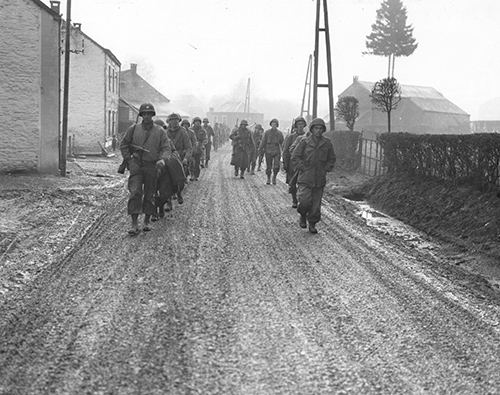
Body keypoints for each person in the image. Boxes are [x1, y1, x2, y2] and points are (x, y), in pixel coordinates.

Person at [120, 103, 173, 235]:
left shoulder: (160, 131)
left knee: (150, 194)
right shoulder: (133, 129)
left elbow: (166, 148)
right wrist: (129, 159)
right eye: (145, 114)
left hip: (152, 165)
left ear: (153, 115)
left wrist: (162, 159)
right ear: (141, 115)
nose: (147, 116)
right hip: (137, 165)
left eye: (150, 114)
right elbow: (124, 145)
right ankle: (134, 224)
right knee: (135, 192)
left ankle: (147, 221)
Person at [291, 118, 336, 234]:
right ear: (311, 129)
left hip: (319, 178)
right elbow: (295, 156)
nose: (318, 131)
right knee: (304, 201)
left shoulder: (327, 143)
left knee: (316, 206)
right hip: (305, 177)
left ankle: (312, 223)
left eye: (321, 128)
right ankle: (302, 214)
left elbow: (332, 159)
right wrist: (302, 167)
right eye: (316, 128)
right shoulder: (304, 142)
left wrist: (326, 168)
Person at [283, 117, 307, 208]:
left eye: (302, 124)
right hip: (292, 164)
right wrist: (285, 163)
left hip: (303, 164)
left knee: (303, 183)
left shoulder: (307, 136)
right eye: (298, 124)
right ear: (295, 126)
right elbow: (285, 151)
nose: (300, 126)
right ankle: (294, 200)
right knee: (292, 183)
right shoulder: (290, 137)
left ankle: (302, 199)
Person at [259, 118, 284, 185]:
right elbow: (263, 141)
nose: (274, 125)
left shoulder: (279, 133)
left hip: (276, 151)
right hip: (268, 150)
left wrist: (283, 151)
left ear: (277, 125)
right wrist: (260, 149)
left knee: (276, 166)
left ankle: (274, 177)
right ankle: (268, 178)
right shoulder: (267, 133)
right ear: (271, 124)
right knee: (269, 166)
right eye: (272, 124)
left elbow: (282, 143)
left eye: (275, 124)